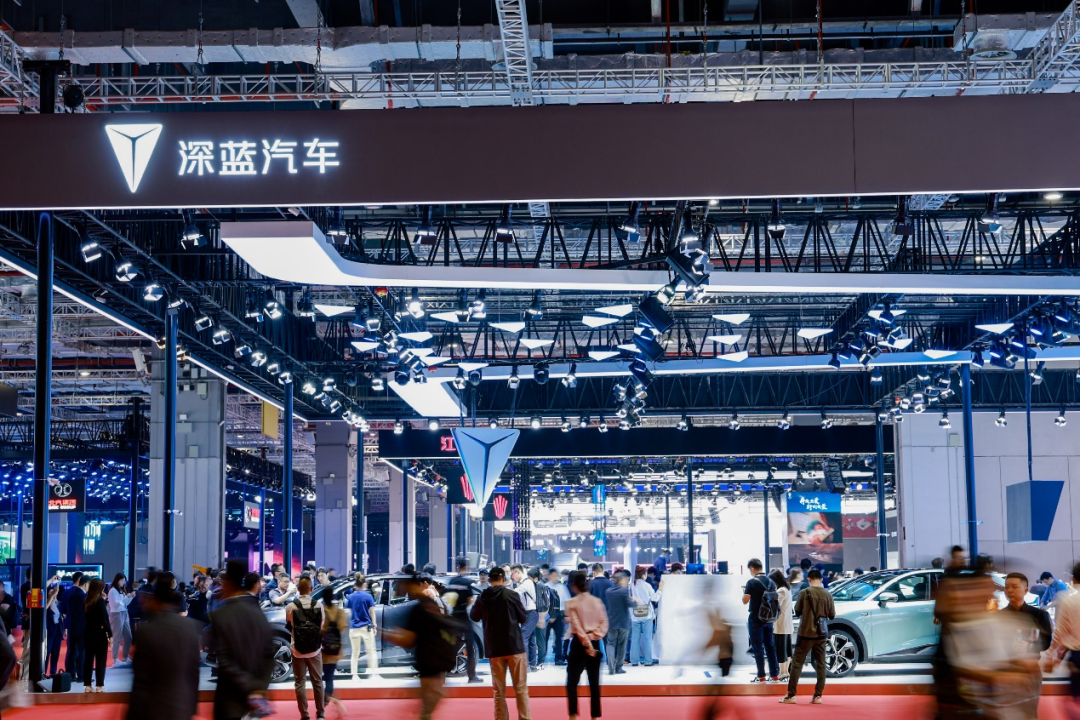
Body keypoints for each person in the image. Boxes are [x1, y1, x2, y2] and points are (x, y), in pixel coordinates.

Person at [384, 573, 459, 720]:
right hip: (439, 655)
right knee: (432, 695)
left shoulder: (421, 606)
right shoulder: (433, 600)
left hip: (430, 657)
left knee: (430, 696)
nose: (403, 590)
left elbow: (409, 640)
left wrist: (388, 635)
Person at [126, 581, 201, 720]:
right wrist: (191, 707)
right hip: (182, 705)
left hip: (153, 707)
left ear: (155, 600)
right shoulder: (191, 627)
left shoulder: (147, 631)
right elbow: (194, 673)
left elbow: (141, 682)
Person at [210, 560, 274, 720]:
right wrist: (259, 688)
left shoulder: (221, 615)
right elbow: (269, 654)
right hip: (255, 700)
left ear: (228, 583)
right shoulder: (258, 613)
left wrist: (250, 686)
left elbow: (225, 661)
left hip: (230, 700)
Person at [470, 566, 531, 720]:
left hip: (494, 648)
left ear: (490, 579)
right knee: (520, 689)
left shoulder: (482, 597)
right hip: (514, 646)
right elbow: (523, 618)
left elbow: (474, 616)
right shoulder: (511, 595)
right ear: (504, 579)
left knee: (499, 691)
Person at [779, 569, 835, 705]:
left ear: (809, 579)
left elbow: (797, 611)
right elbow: (832, 615)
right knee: (821, 664)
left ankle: (791, 695)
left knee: (797, 664)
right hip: (821, 634)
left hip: (805, 633)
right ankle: (818, 696)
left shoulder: (804, 593)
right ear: (821, 580)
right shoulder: (827, 594)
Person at [565, 570, 608, 720]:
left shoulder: (572, 603)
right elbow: (604, 624)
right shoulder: (597, 602)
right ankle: (594, 717)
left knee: (572, 682)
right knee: (594, 682)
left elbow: (577, 627)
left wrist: (586, 641)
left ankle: (573, 716)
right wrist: (592, 638)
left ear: (573, 585)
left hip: (579, 643)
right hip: (595, 642)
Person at [286, 576, 325, 720]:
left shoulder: (291, 606)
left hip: (297, 650)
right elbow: (321, 625)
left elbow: (289, 625)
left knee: (299, 683)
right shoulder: (318, 605)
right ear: (311, 589)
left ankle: (304, 715)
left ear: (298, 589)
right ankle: (320, 714)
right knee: (318, 682)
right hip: (315, 650)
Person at [742, 558, 779, 683]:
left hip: (756, 618)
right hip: (769, 618)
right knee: (770, 646)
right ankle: (774, 675)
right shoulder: (771, 582)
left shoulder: (751, 582)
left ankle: (761, 676)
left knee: (757, 647)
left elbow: (745, 601)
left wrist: (744, 592)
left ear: (752, 568)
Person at [446, 557, 483, 683]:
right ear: (465, 567)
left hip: (453, 616)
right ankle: (472, 676)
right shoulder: (466, 582)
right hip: (463, 616)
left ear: (457, 567)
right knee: (470, 645)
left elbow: (448, 599)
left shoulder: (451, 581)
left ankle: (446, 671)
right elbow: (469, 600)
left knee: (451, 645)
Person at [345, 573, 378, 680]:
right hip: (366, 627)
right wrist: (374, 626)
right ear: (363, 584)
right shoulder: (368, 596)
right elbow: (372, 612)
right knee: (371, 651)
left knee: (355, 653)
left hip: (354, 628)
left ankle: (354, 675)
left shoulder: (350, 597)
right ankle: (373, 674)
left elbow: (350, 612)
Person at [320, 593, 348, 718]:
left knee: (325, 679)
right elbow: (342, 627)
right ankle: (334, 705)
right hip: (335, 650)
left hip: (324, 650)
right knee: (329, 677)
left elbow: (319, 629)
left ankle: (328, 706)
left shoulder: (322, 612)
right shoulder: (340, 612)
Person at [83, 577, 112, 692]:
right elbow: (104, 619)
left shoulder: (87, 600)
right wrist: (110, 634)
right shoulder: (99, 601)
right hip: (99, 634)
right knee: (100, 660)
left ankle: (87, 685)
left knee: (88, 659)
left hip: (88, 632)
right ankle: (99, 685)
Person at [510, 564, 540, 671]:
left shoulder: (527, 582)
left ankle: (525, 666)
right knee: (531, 640)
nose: (512, 576)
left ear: (518, 572)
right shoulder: (524, 582)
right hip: (528, 614)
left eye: (512, 574)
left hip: (530, 614)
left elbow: (516, 592)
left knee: (523, 639)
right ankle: (532, 665)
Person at [603, 570, 632, 675]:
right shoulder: (624, 590)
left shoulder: (608, 591)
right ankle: (618, 667)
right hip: (623, 622)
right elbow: (629, 604)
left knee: (610, 644)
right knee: (622, 645)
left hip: (611, 621)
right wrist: (635, 601)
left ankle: (611, 666)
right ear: (620, 580)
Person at [629, 566, 658, 667]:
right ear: (643, 575)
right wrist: (660, 590)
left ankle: (634, 661)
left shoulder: (631, 586)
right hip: (647, 615)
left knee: (635, 639)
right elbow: (655, 598)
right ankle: (648, 661)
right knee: (647, 639)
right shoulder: (647, 585)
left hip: (635, 615)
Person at [769, 569, 794, 681]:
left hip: (780, 625)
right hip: (787, 624)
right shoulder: (787, 589)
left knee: (781, 650)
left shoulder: (781, 590)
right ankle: (786, 672)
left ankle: (782, 673)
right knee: (787, 650)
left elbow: (774, 606)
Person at [65, 573, 90, 684]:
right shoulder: (84, 596)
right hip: (82, 627)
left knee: (72, 651)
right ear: (86, 584)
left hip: (72, 627)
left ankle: (71, 674)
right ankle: (81, 675)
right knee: (82, 652)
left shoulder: (72, 594)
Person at [107, 572, 134, 666]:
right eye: (122, 580)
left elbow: (125, 603)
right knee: (117, 637)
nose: (123, 582)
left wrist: (130, 597)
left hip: (124, 612)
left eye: (124, 581)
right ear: (117, 580)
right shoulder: (112, 591)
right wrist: (126, 597)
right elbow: (115, 604)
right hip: (116, 614)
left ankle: (125, 657)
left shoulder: (121, 590)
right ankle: (115, 659)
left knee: (128, 636)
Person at [545, 569, 570, 666]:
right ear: (549, 576)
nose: (556, 577)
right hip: (547, 615)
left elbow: (566, 601)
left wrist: (566, 615)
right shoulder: (545, 587)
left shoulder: (562, 587)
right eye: (554, 575)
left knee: (559, 637)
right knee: (545, 637)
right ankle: (541, 658)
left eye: (557, 575)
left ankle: (559, 658)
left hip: (559, 615)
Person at [527, 568, 550, 670]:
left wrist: (541, 618)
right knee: (535, 640)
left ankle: (540, 662)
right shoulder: (537, 586)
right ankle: (535, 662)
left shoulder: (540, 587)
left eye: (529, 578)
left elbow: (544, 604)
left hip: (541, 616)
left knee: (539, 641)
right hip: (535, 616)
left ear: (535, 578)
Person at [44, 583, 63, 678]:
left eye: (54, 593)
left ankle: (53, 672)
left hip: (58, 631)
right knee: (47, 653)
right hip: (49, 631)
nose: (53, 594)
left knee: (55, 652)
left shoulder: (58, 604)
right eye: (51, 593)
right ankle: (43, 672)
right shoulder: (46, 605)